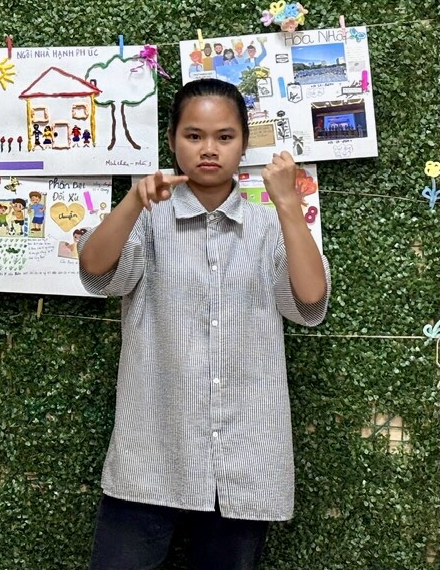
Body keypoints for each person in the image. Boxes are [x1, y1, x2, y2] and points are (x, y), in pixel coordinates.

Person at [78, 78, 329, 570]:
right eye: (193, 136)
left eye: (224, 137)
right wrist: (132, 202)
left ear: (243, 143)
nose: (208, 149)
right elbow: (97, 272)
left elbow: (309, 303)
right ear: (171, 141)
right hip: (151, 453)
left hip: (243, 459)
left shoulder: (268, 225)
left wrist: (288, 208)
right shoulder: (149, 219)